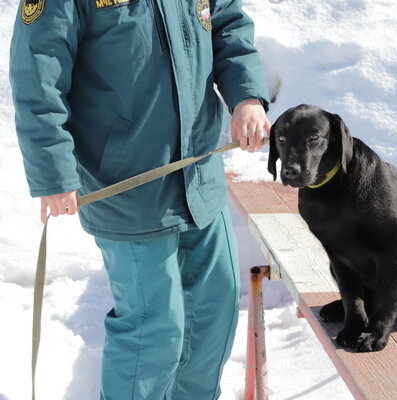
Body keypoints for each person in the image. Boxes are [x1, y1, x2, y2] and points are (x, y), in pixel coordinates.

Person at [10, 0, 270, 398]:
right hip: (127, 185)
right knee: (154, 330)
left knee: (213, 314)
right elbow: (38, 71)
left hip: (201, 178)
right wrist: (52, 173)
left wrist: (247, 96)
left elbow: (228, 23)